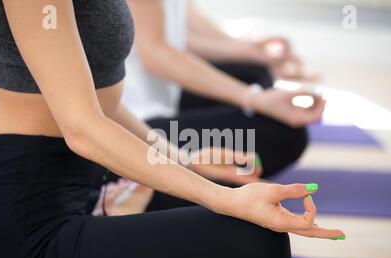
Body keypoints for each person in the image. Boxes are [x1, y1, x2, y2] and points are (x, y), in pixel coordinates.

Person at [0, 0, 344, 258]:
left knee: (242, 220)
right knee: (257, 245)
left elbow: (103, 104)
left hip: (86, 180)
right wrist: (219, 197)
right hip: (25, 221)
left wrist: (184, 159)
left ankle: (104, 207)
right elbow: (82, 128)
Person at [121, 0, 324, 181]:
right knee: (283, 135)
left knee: (256, 74)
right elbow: (156, 56)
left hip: (160, 98)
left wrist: (250, 52)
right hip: (129, 124)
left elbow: (181, 31)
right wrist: (254, 98)